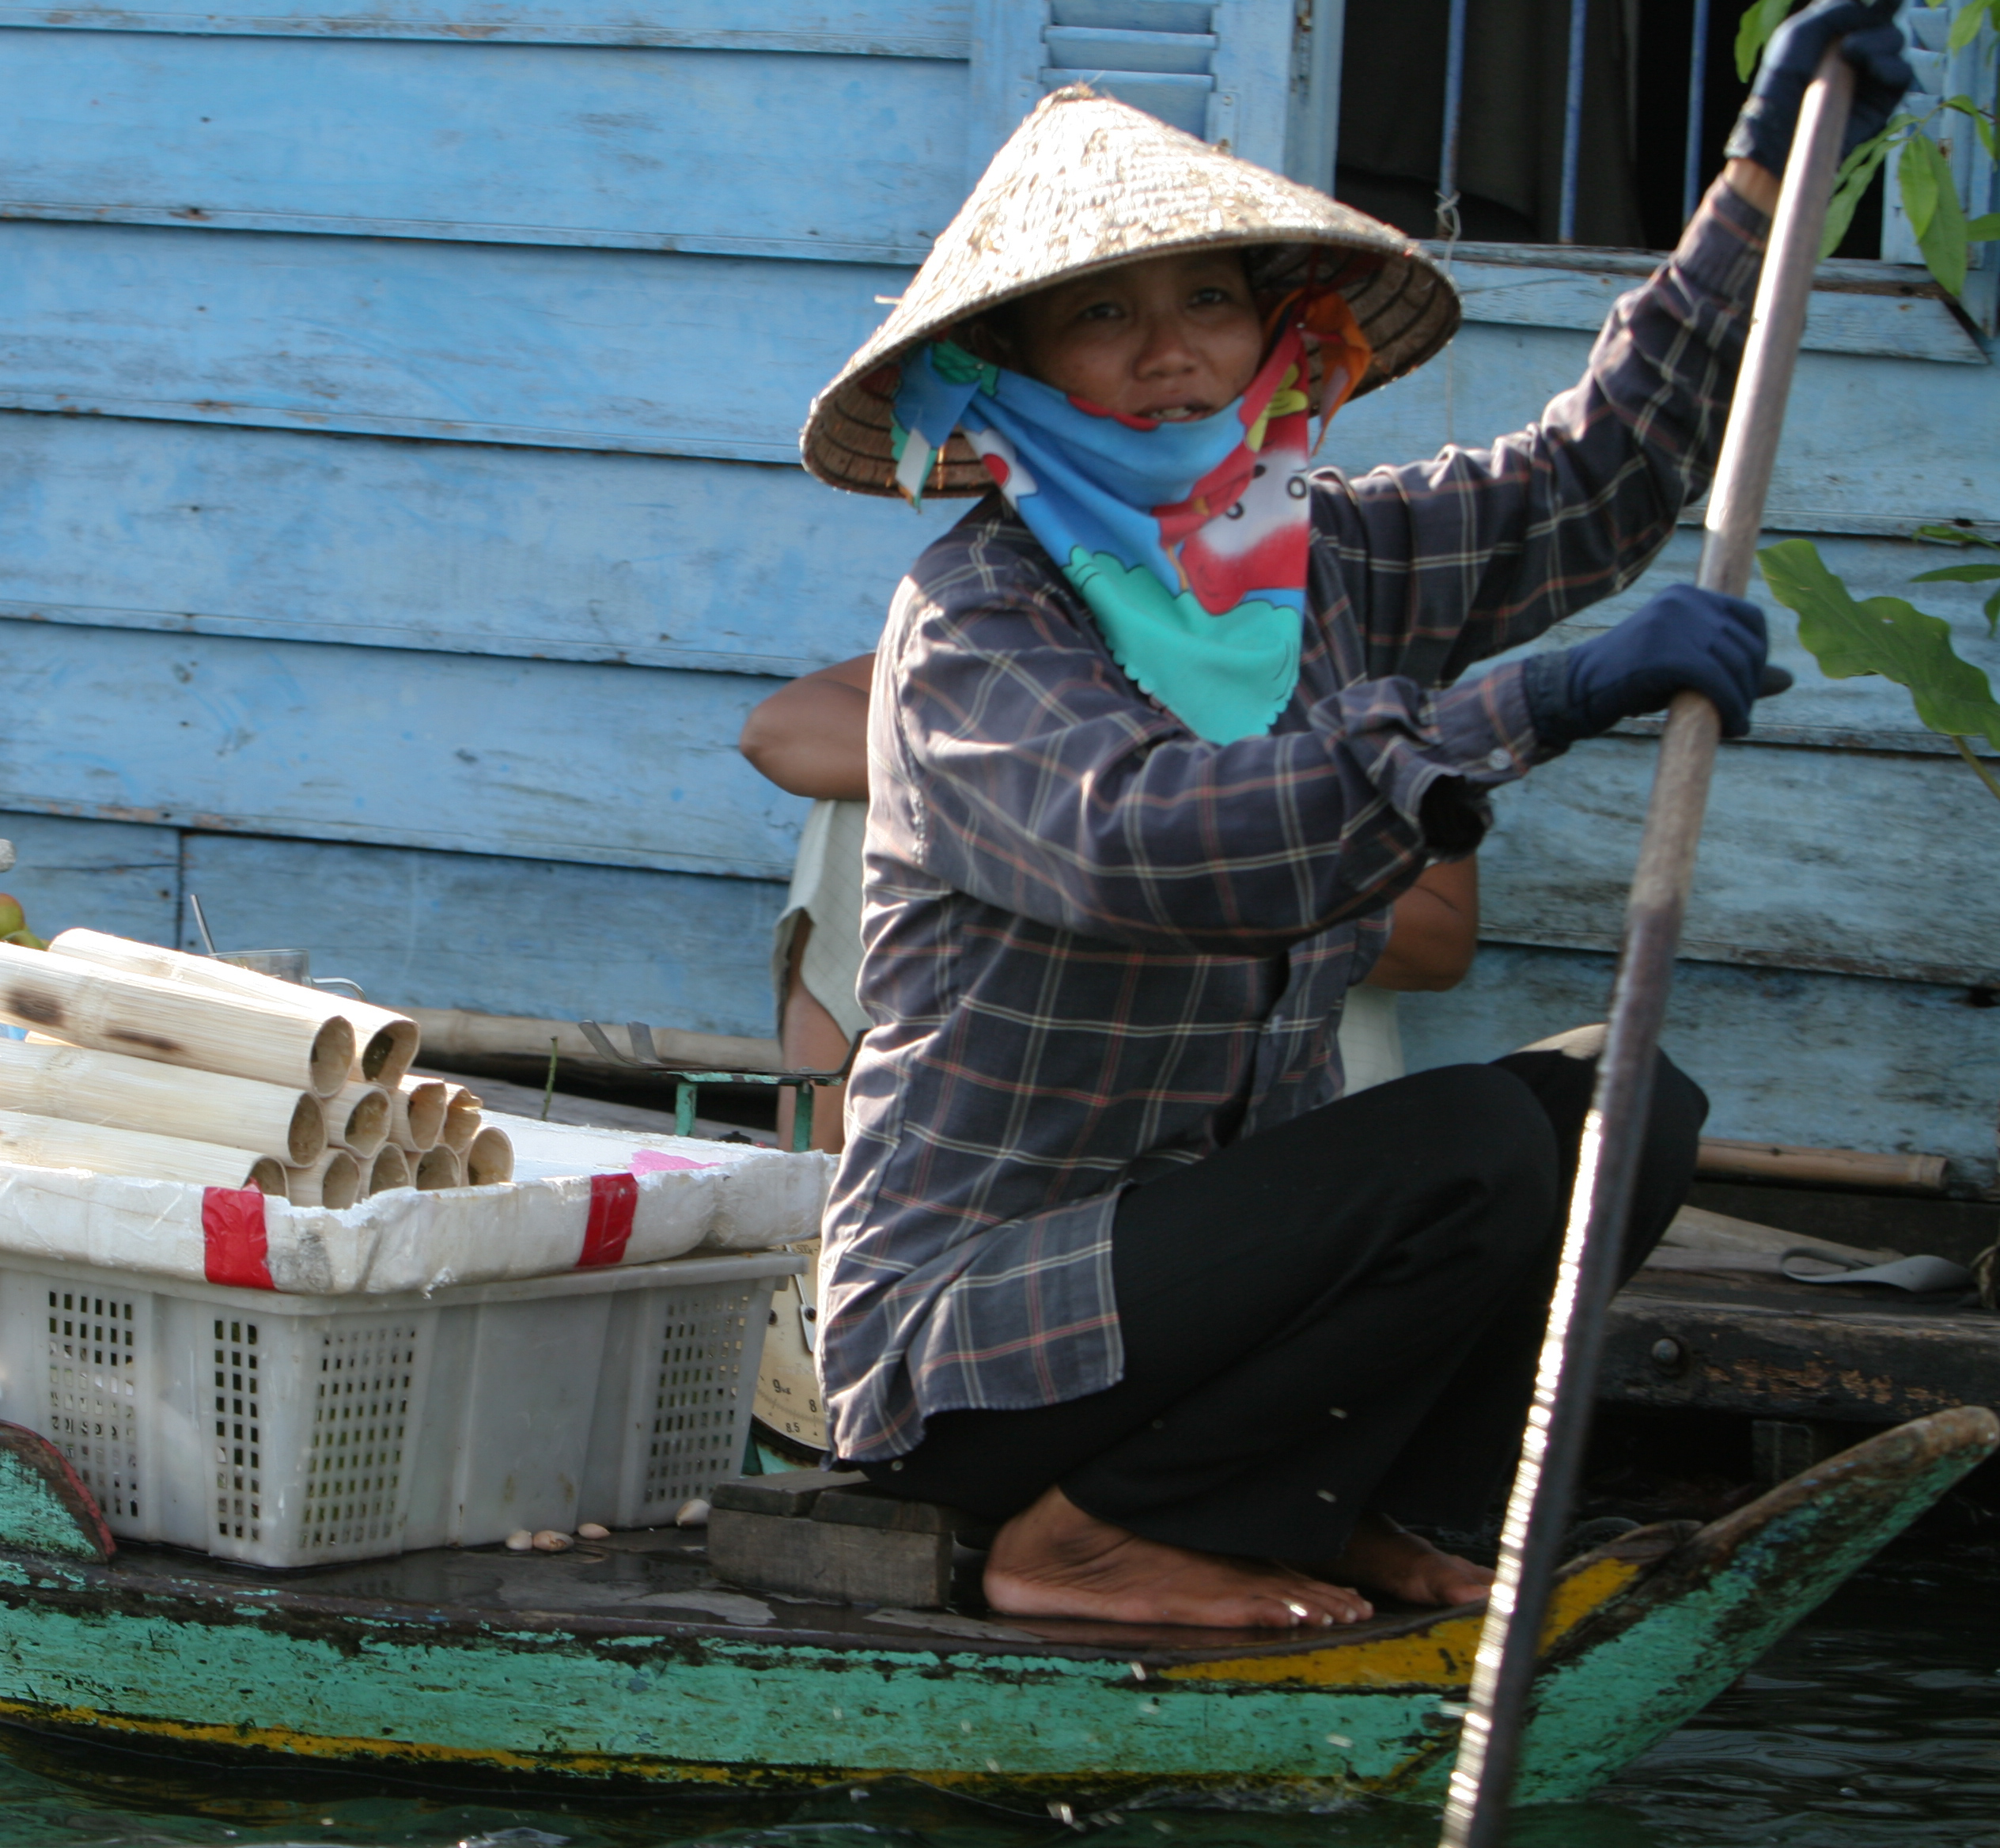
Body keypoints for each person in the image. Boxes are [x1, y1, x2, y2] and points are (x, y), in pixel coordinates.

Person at [794, 2, 1909, 1629]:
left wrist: (1751, 189)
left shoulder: (1330, 561)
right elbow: (1146, 841)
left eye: (1206, 300)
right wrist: (1535, 702)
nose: (1169, 348)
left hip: (1216, 1311)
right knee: (1459, 1148)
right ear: (1011, 366)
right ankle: (1087, 1541)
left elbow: (1594, 479)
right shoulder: (982, 621)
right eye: (1103, 316)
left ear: (1273, 329)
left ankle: (1358, 1508)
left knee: (1619, 1105)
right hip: (972, 1346)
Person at [741, 658, 1477, 1150]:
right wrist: (1069, 814)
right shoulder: (1040, 631)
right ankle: (814, 1224)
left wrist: (1190, 860)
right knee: (857, 810)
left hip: (1260, 1064)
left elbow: (1442, 939)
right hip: (1036, 1029)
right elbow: (781, 731)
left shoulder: (1365, 672)